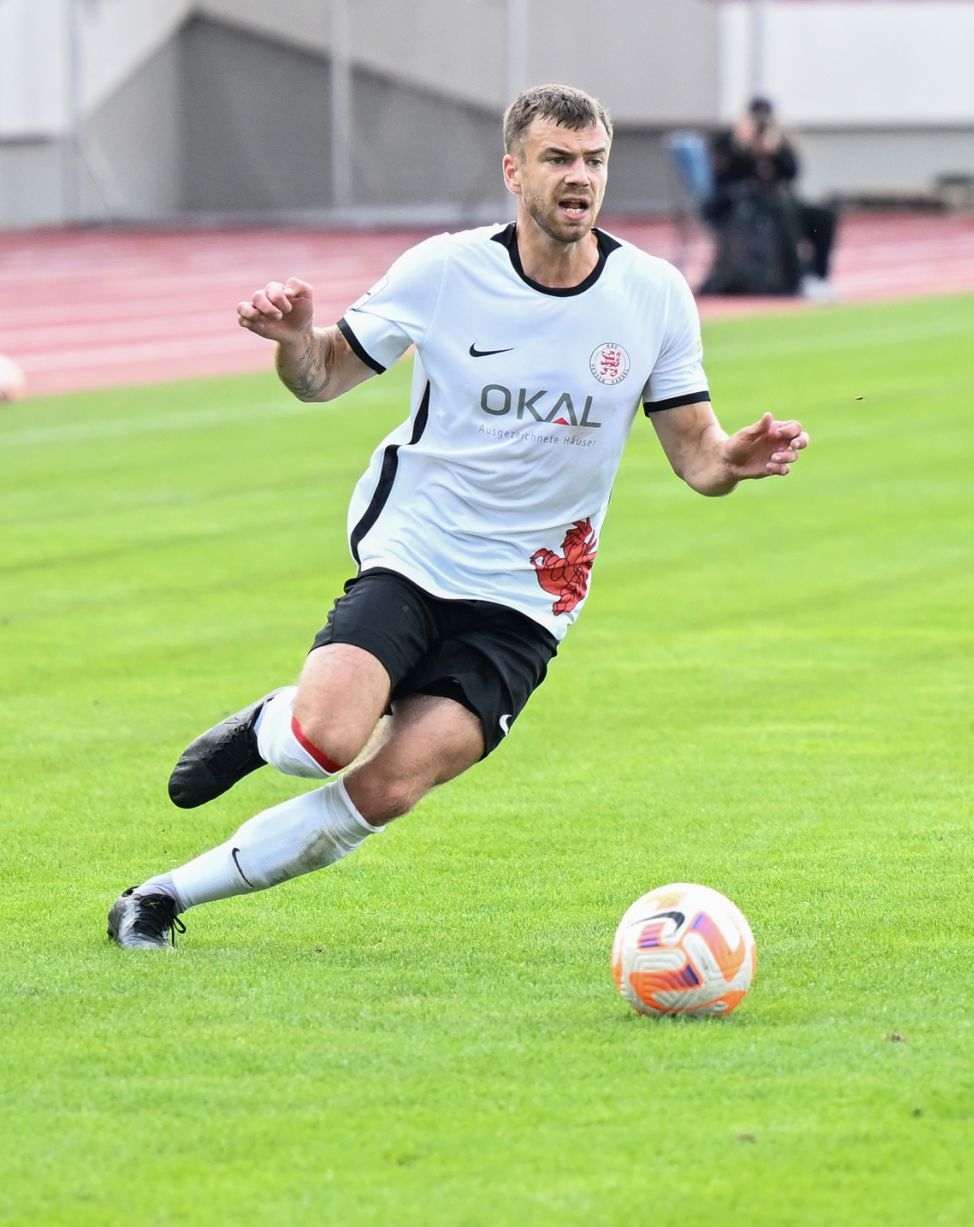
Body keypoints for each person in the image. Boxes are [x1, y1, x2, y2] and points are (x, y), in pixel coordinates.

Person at [107, 84, 810, 949]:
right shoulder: (446, 270)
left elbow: (698, 457)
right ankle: (269, 724)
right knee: (326, 739)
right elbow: (323, 374)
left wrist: (733, 460)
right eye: (558, 159)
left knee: (391, 787)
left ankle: (161, 898)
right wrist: (295, 340)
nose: (578, 178)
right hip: (420, 547)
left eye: (593, 160)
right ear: (514, 171)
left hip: (532, 594)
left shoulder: (654, 294)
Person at [702, 96, 838, 298]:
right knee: (783, 212)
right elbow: (721, 180)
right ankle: (799, 277)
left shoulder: (776, 139)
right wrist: (742, 148)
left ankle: (819, 277)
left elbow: (792, 174)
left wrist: (773, 151)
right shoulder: (728, 140)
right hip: (741, 205)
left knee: (823, 216)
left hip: (776, 200)